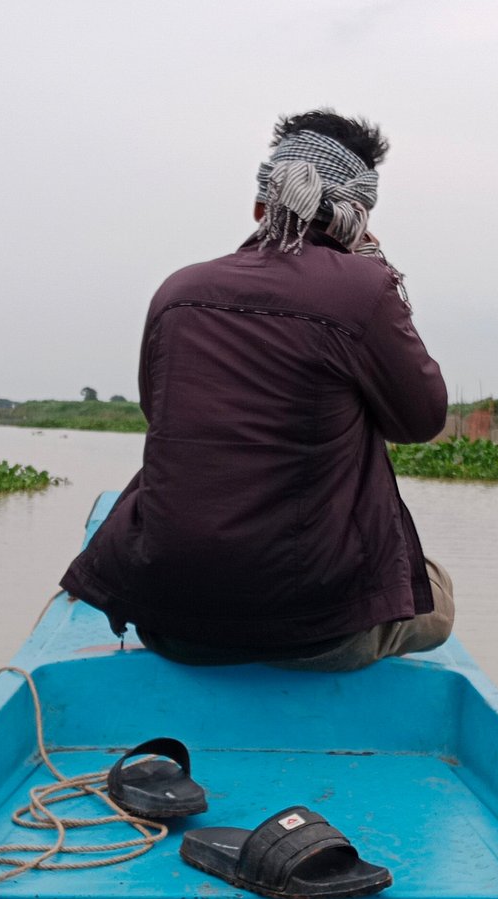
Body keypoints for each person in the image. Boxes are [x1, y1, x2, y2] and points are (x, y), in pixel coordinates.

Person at [61, 109, 453, 670]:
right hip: (320, 632)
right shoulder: (364, 289)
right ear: (358, 216)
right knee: (437, 592)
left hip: (171, 620)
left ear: (261, 204)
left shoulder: (178, 291)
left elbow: (160, 414)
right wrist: (369, 271)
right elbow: (421, 421)